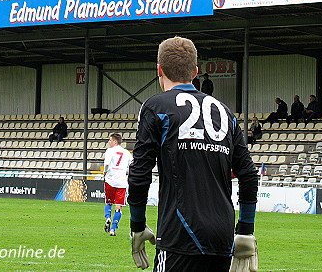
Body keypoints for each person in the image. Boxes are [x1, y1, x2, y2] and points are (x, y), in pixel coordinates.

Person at [127, 36, 258, 271]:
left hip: (179, 235)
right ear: (195, 71)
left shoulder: (155, 107)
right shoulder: (225, 112)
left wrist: (137, 224)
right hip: (223, 236)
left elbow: (139, 173)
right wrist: (246, 230)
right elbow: (248, 173)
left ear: (159, 69)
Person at [103, 133, 132, 236]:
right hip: (121, 182)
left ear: (115, 141)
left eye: (110, 140)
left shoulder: (110, 151)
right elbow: (132, 165)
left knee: (108, 203)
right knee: (118, 206)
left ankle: (107, 217)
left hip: (110, 180)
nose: (109, 142)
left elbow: (106, 163)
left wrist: (105, 172)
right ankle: (113, 229)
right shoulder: (126, 153)